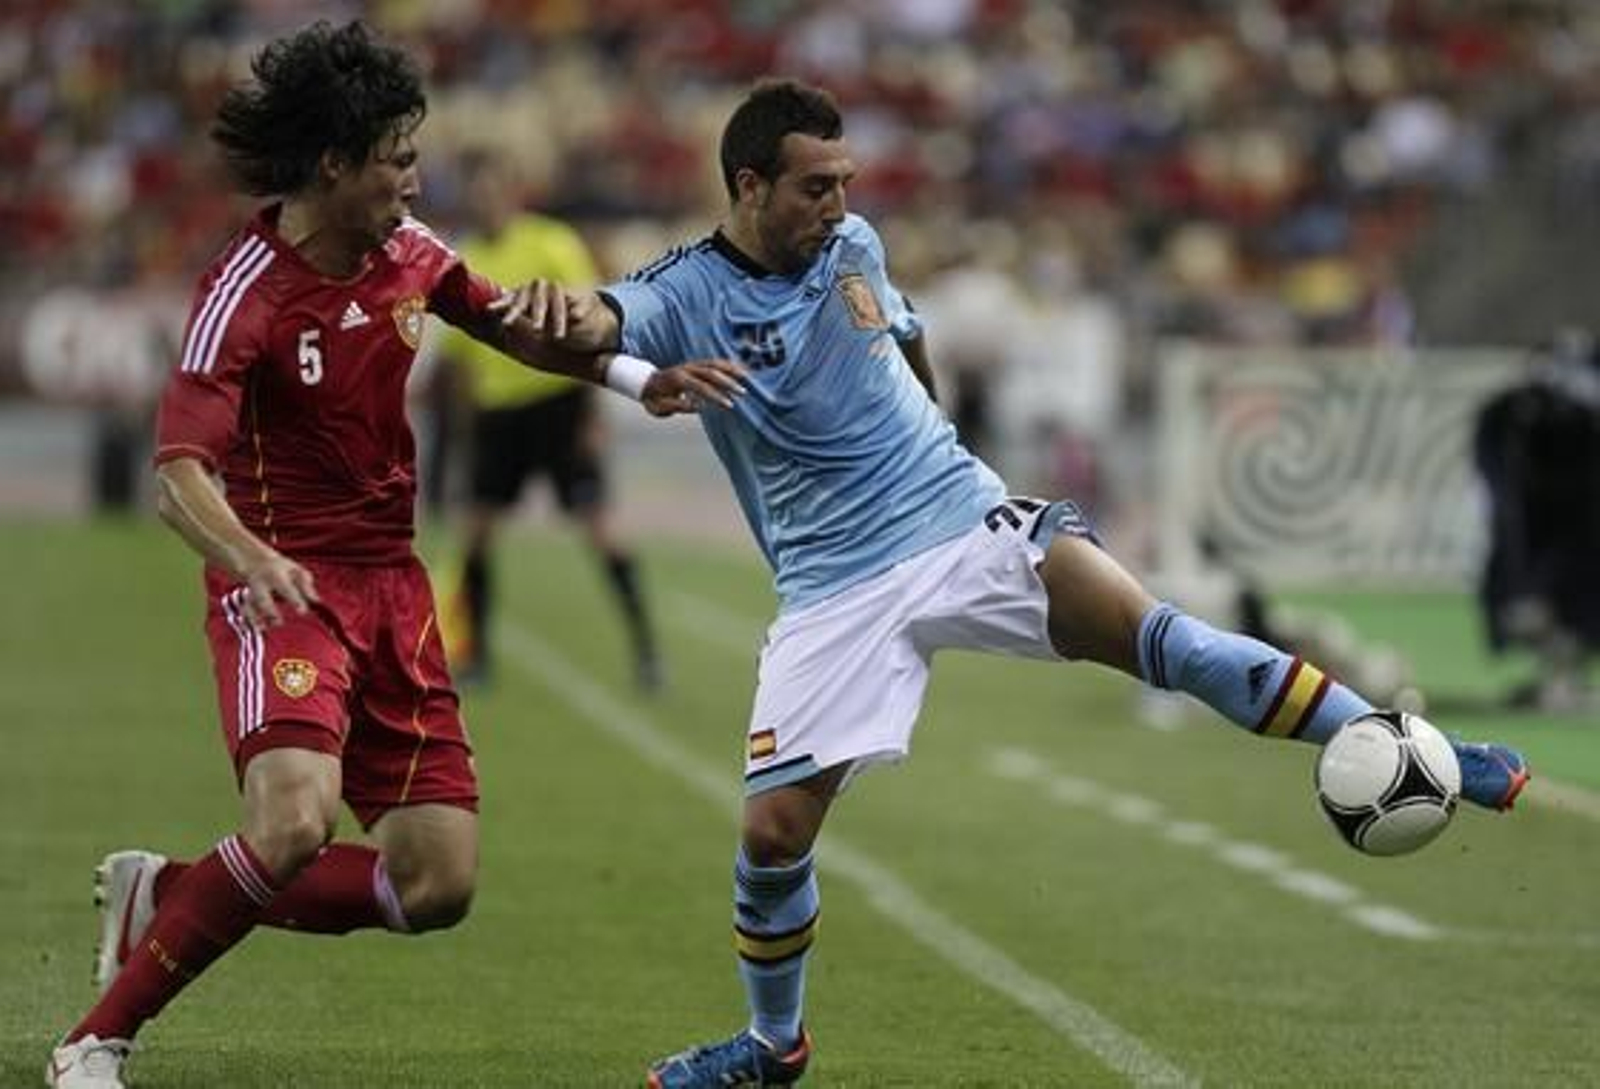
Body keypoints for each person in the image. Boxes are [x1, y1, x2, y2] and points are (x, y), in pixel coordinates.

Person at [525, 79, 1533, 1088]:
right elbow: (601, 318)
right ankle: (771, 1046)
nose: (837, 205)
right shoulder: (691, 289)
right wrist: (572, 320)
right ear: (749, 185)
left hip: (960, 517)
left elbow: (903, 329)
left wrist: (928, 414)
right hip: (833, 586)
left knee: (1164, 640)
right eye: (813, 187)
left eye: (843, 183)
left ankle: (1433, 754)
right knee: (772, 837)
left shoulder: (854, 246)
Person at [44, 21, 741, 1089]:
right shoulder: (246, 293)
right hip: (283, 590)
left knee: (437, 885)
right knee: (291, 820)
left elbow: (513, 329)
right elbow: (176, 472)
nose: (414, 183)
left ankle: (167, 891)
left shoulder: (412, 257)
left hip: (394, 590)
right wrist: (252, 558)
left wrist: (637, 378)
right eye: (396, 161)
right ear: (334, 164)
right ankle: (96, 1039)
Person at [437, 150, 662, 690]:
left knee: (600, 530)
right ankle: (477, 657)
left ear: (512, 192)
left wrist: (591, 414)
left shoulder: (550, 243)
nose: (485, 202)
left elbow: (592, 327)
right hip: (498, 416)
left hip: (558, 404)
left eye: (493, 191)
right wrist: (466, 432)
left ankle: (646, 649)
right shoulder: (461, 262)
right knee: (476, 536)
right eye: (477, 194)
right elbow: (461, 361)